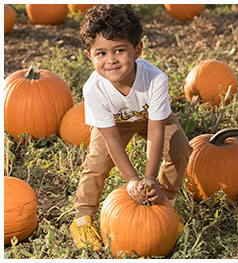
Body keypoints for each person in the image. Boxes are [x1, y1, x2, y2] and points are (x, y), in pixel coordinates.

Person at [70, 4, 192, 252]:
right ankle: (83, 217)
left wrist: (149, 179)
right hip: (114, 123)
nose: (111, 60)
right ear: (89, 56)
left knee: (179, 146)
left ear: (137, 50)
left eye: (119, 50)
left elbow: (157, 131)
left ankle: (165, 201)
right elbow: (112, 140)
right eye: (101, 53)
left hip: (150, 119)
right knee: (97, 161)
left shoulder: (155, 80)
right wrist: (131, 179)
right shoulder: (93, 89)